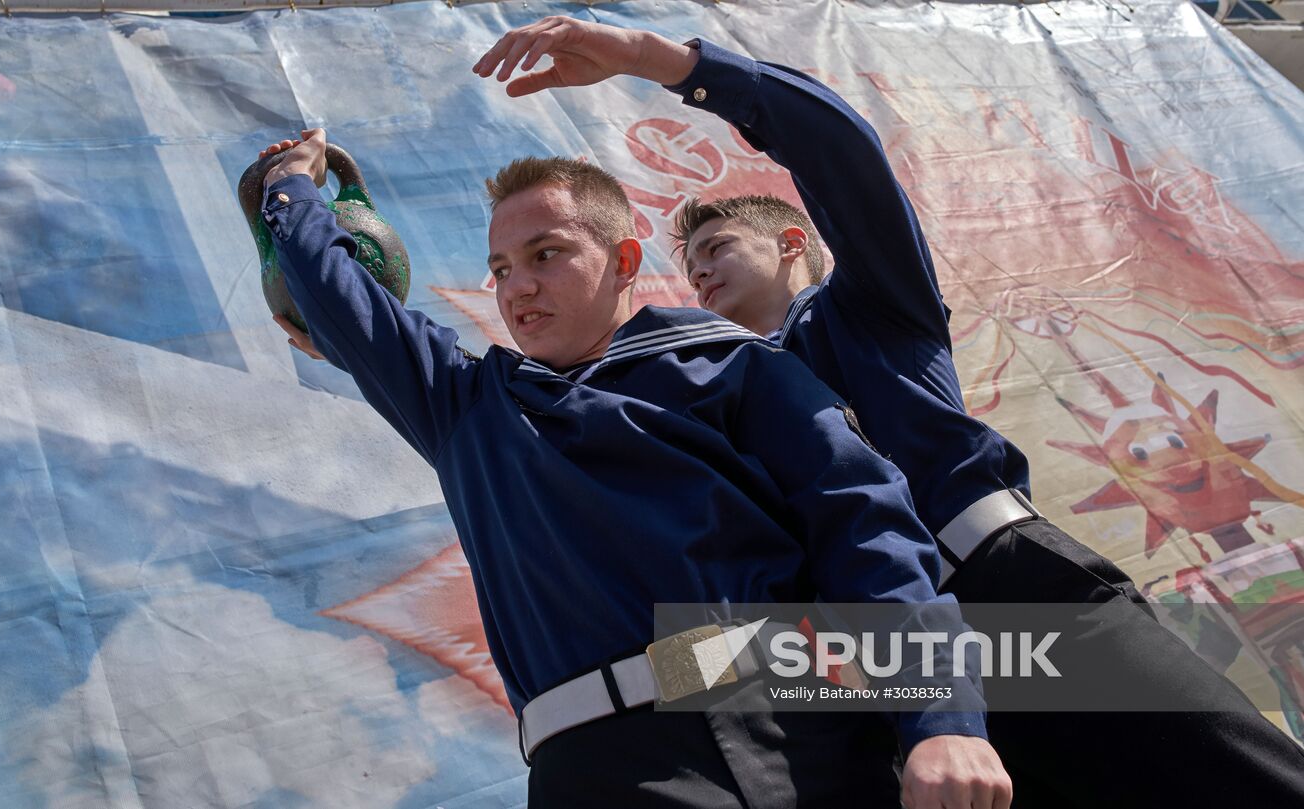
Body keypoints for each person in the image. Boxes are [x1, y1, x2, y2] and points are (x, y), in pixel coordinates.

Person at [473, 14, 1304, 808]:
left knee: (1233, 784)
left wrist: (667, 62)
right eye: (687, 269)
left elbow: (844, 154)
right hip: (863, 677)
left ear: (793, 244)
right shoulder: (691, 393)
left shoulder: (869, 312)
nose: (700, 277)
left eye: (717, 248)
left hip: (1001, 606)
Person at [258, 128, 1010, 807]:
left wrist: (942, 716)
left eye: (545, 254)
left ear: (622, 261)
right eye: (500, 268)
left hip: (790, 738)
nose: (517, 285)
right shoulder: (467, 406)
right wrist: (289, 184)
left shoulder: (737, 370)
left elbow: (867, 529)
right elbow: (343, 302)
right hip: (588, 774)